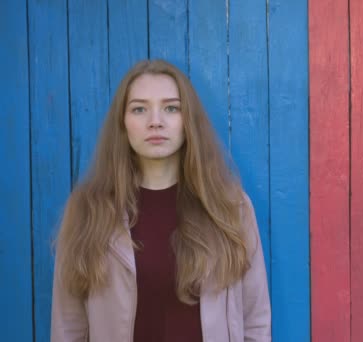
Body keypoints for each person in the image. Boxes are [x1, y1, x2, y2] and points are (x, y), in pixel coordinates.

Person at [51, 59, 271, 342]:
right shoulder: (86, 210)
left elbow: (255, 321)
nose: (156, 121)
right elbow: (68, 327)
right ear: (123, 122)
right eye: (139, 109)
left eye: (171, 108)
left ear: (187, 120)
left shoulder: (230, 207)